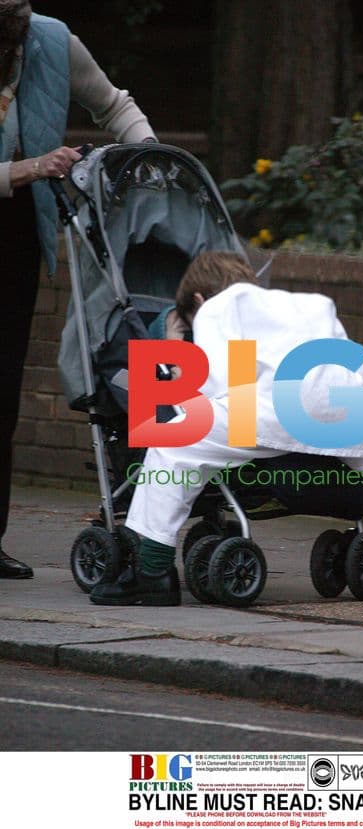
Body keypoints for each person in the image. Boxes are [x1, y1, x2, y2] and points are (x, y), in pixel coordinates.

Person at [90, 251, 363, 607]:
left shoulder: (218, 305)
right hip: (343, 406)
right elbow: (357, 363)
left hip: (275, 409)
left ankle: (152, 572)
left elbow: (221, 380)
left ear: (198, 299)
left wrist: (181, 391)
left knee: (172, 444)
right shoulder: (314, 304)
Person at [0, 1, 156, 579]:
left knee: (3, 393)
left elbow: (114, 106)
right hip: (18, 187)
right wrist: (30, 169)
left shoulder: (52, 41)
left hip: (15, 234)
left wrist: (152, 159)